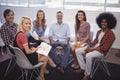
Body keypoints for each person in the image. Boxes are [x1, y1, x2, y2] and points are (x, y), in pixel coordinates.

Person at [75, 12, 117, 80]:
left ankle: (87, 75)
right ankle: (83, 68)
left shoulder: (111, 35)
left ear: (109, 23)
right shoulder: (99, 31)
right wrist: (89, 46)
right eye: (102, 22)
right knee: (77, 51)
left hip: (101, 52)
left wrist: (91, 50)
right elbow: (94, 41)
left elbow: (104, 48)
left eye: (105, 22)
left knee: (88, 55)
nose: (103, 23)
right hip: (94, 48)